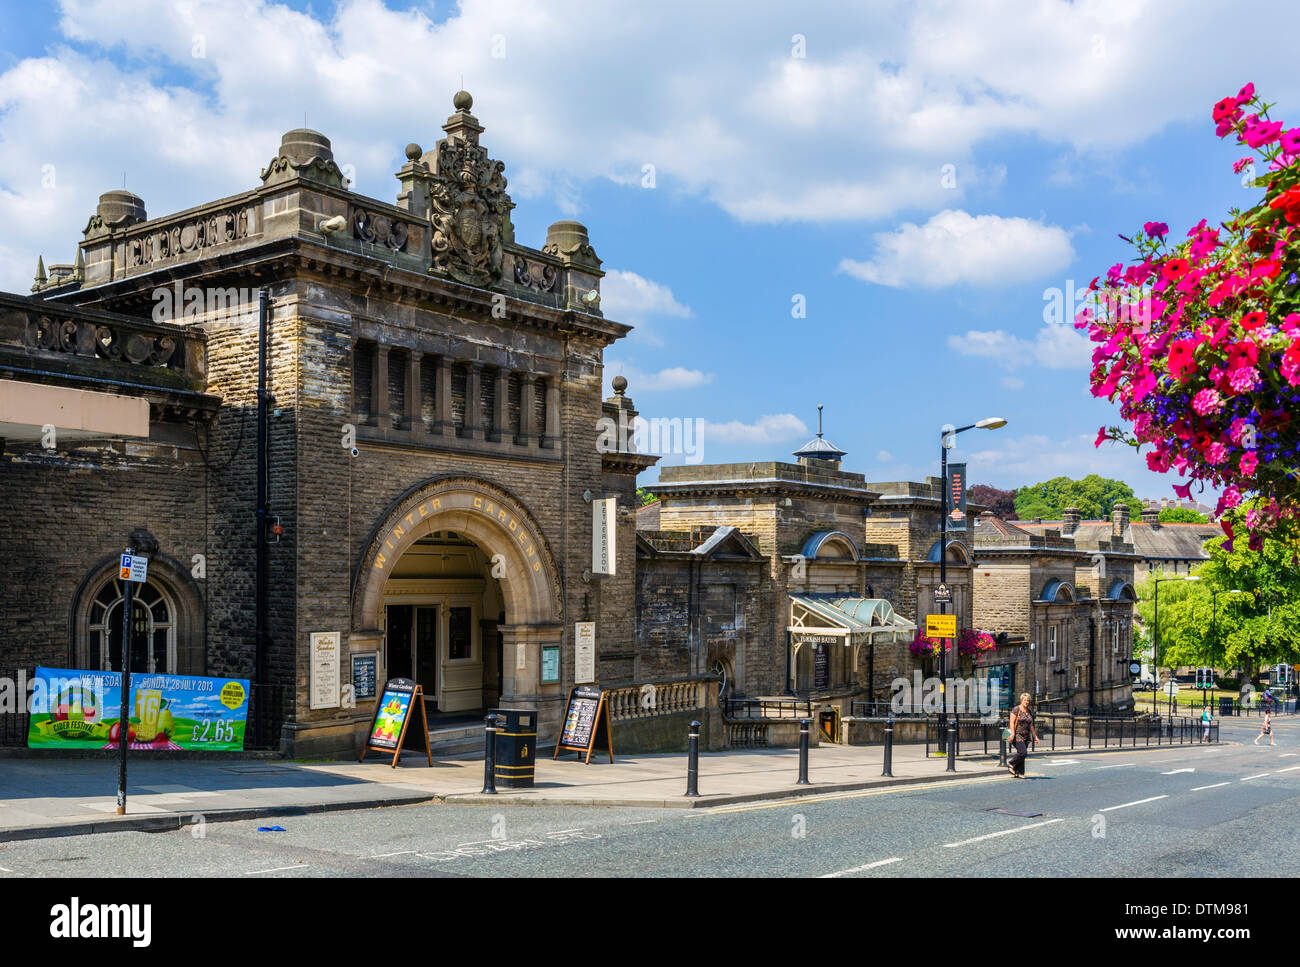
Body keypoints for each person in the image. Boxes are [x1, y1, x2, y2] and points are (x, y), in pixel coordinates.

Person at [1007, 692, 1040, 778]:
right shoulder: (1016, 709)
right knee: (1023, 752)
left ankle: (1019, 773)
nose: (1026, 702)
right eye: (1025, 700)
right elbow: (1011, 722)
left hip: (1026, 736)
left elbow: (1031, 726)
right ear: (1021, 700)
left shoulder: (1029, 711)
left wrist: (1035, 737)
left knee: (1022, 754)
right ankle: (1011, 763)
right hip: (1017, 735)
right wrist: (1013, 734)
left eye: (1028, 700)